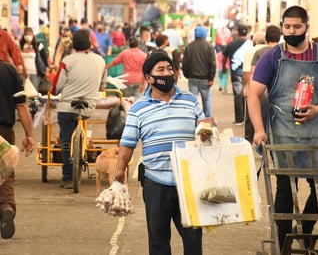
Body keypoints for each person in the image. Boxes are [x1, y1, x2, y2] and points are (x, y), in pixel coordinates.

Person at [248, 5, 318, 250]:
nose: (292, 31)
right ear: (282, 27)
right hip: (283, 134)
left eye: (297, 27)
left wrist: (317, 109)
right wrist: (259, 130)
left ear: (306, 27)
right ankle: (283, 242)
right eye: (287, 27)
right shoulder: (272, 57)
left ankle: (305, 229)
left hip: (316, 134)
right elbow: (253, 94)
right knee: (285, 191)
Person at [114, 52, 205, 255]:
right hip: (155, 182)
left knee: (193, 240)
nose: (167, 73)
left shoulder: (191, 101)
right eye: (160, 70)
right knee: (158, 242)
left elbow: (204, 131)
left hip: (188, 183)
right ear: (148, 78)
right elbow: (128, 143)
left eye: (170, 69)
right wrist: (120, 172)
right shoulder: (138, 109)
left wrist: (208, 132)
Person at [51, 29, 106, 189]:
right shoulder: (100, 61)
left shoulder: (67, 61)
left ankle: (68, 177)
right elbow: (102, 86)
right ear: (90, 43)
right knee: (79, 128)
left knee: (66, 140)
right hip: (88, 107)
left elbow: (56, 87)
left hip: (66, 107)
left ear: (73, 44)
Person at [0, 60, 35, 239]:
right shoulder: (8, 70)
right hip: (4, 131)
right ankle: (6, 206)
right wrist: (29, 135)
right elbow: (21, 105)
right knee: (5, 174)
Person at [244, 25, 281, 144]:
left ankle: (260, 142)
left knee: (259, 116)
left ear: (266, 37)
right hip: (277, 90)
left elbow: (254, 73)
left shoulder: (259, 52)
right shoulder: (283, 52)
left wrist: (248, 88)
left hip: (262, 90)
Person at [222, 24, 253, 125]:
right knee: (248, 94)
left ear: (238, 32)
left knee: (238, 95)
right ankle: (249, 118)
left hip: (236, 72)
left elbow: (224, 57)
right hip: (249, 72)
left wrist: (223, 67)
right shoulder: (251, 44)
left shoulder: (231, 44)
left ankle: (239, 119)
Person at [182, 26, 216, 118]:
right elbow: (212, 63)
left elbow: (185, 63)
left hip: (192, 78)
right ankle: (208, 120)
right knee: (207, 100)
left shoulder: (189, 46)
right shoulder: (210, 47)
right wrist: (211, 78)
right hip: (205, 79)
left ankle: (193, 118)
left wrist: (186, 74)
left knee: (193, 100)